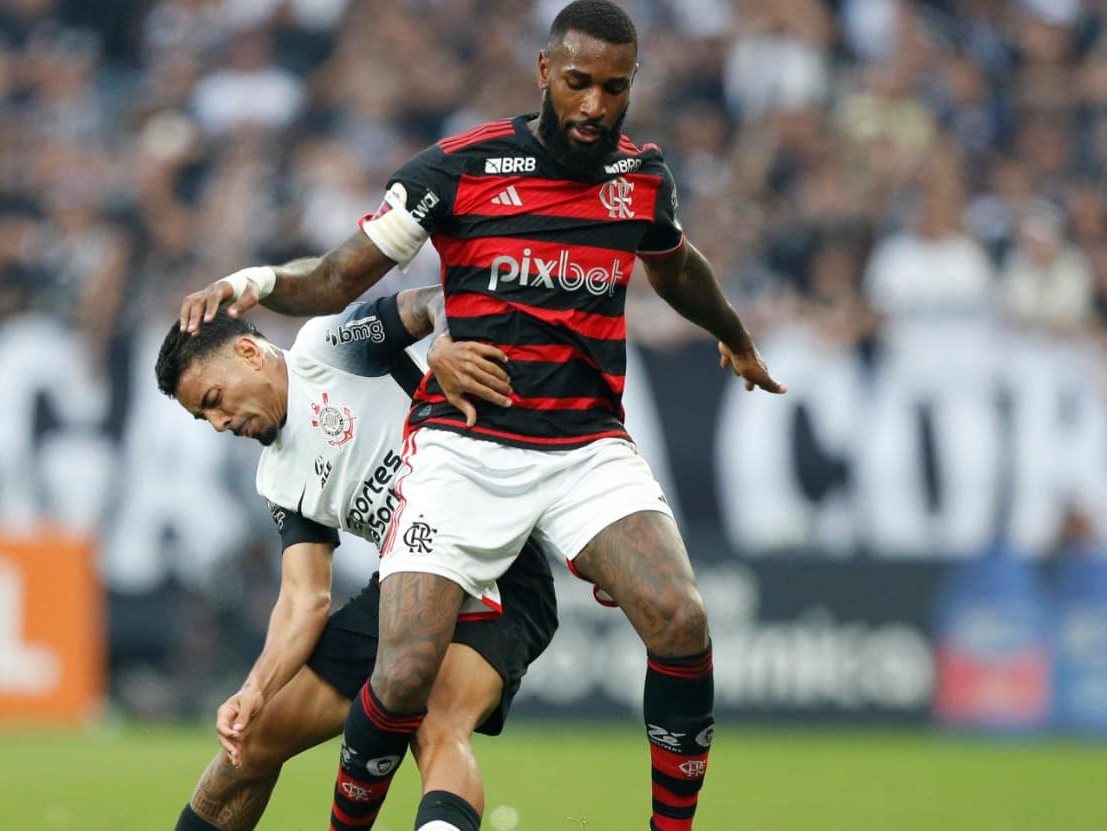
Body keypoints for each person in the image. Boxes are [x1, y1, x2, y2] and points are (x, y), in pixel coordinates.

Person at [179, 3, 785, 829]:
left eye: (614, 89)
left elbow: (673, 264)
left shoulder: (640, 177)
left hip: (583, 443)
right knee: (399, 678)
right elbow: (336, 279)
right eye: (578, 83)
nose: (594, 107)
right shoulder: (459, 168)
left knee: (680, 616)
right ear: (544, 71)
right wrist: (252, 282)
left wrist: (735, 335)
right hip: (466, 449)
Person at [156, 286, 558, 831]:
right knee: (250, 742)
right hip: (402, 586)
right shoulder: (277, 479)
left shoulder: (329, 346)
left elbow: (438, 300)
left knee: (436, 725)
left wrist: (441, 346)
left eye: (213, 399)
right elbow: (304, 598)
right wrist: (255, 690)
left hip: (494, 560)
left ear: (249, 354)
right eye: (206, 419)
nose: (221, 422)